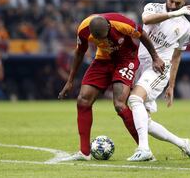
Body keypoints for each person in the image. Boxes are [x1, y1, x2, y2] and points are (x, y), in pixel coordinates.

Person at [58, 13, 164, 161]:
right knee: (83, 100)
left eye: (104, 36)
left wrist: (156, 57)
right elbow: (79, 53)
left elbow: (143, 35)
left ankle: (144, 150)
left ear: (109, 27)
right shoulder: (83, 30)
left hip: (126, 59)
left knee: (120, 104)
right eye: (99, 39)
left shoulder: (122, 23)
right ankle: (84, 152)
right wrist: (70, 81)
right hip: (103, 60)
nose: (103, 40)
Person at [127, 0, 190, 161]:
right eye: (171, 1)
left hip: (159, 69)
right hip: (141, 67)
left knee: (134, 99)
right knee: (145, 120)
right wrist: (174, 13)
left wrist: (171, 85)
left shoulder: (186, 27)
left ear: (185, 1)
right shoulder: (152, 7)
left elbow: (176, 57)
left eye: (178, 3)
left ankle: (144, 149)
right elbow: (146, 19)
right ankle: (183, 143)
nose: (173, 5)